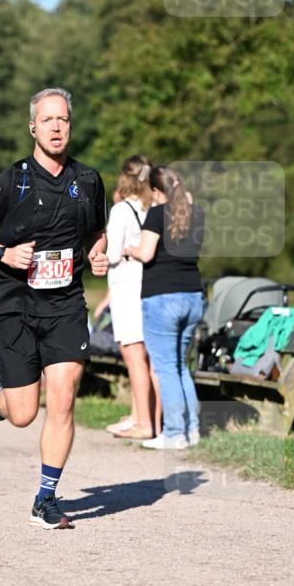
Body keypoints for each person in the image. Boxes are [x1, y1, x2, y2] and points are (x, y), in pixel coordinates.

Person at [0, 87, 108, 530]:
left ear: (70, 125)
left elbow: (96, 233)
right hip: (16, 304)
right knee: (23, 413)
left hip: (65, 304)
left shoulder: (89, 180)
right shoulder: (13, 180)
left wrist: (99, 253)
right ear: (33, 127)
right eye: (48, 120)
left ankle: (46, 499)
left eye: (63, 119)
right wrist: (4, 253)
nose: (57, 127)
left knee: (63, 399)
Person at [124, 165, 204, 449]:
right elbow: (187, 200)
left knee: (166, 368)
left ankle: (173, 434)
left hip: (162, 298)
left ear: (157, 192)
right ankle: (192, 431)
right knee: (180, 366)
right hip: (193, 296)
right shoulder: (197, 214)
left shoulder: (157, 214)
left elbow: (146, 253)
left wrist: (127, 249)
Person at [104, 155, 161, 439]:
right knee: (151, 358)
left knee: (134, 356)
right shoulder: (155, 206)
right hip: (152, 284)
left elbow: (112, 253)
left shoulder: (121, 210)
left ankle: (144, 423)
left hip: (127, 286)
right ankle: (147, 418)